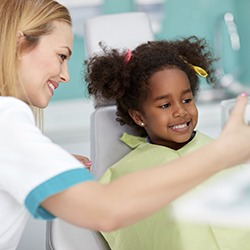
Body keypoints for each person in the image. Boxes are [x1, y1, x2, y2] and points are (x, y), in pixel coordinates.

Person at [1, 1, 250, 249]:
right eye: (61, 55)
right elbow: (105, 210)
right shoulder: (8, 121)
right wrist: (221, 154)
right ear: (20, 43)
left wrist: (46, 160)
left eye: (187, 99)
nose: (65, 75)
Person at [85, 37, 250, 250]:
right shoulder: (125, 175)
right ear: (138, 117)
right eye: (164, 105)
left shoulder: (220, 151)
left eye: (187, 100)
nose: (180, 111)